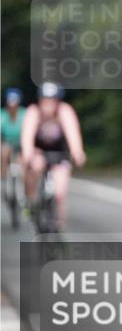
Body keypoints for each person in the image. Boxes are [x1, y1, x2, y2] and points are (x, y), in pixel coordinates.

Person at [21, 82, 86, 230]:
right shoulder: (33, 112)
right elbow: (27, 136)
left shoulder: (65, 111)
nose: (48, 105)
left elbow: (72, 133)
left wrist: (78, 152)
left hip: (59, 153)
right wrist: (28, 154)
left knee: (60, 192)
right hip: (39, 151)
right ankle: (31, 201)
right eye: (45, 101)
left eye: (52, 101)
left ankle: (59, 226)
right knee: (34, 167)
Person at [2, 88, 25, 221]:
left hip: (22, 144)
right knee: (4, 153)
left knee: (24, 161)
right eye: (10, 105)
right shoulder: (2, 116)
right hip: (7, 144)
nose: (12, 108)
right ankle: (4, 181)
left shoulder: (24, 115)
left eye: (14, 104)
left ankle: (25, 189)